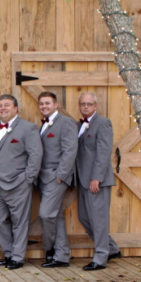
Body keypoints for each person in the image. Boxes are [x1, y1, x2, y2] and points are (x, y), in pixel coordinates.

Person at [0, 94, 42, 270]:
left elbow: (36, 155)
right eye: (0, 105)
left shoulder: (28, 128)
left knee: (20, 221)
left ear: (15, 108)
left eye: (7, 105)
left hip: (18, 183)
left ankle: (18, 257)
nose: (3, 108)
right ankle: (9, 252)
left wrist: (27, 179)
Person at [76, 92, 121, 271]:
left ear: (95, 106)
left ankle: (101, 257)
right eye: (83, 104)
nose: (86, 106)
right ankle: (112, 248)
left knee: (99, 220)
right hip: (82, 180)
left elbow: (103, 153)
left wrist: (97, 177)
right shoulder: (80, 125)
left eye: (89, 104)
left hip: (96, 181)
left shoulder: (103, 123)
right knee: (84, 217)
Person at [37, 91, 77, 268]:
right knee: (56, 216)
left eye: (47, 103)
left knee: (46, 214)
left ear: (56, 105)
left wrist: (61, 175)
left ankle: (50, 248)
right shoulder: (43, 125)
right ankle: (62, 255)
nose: (44, 106)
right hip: (43, 177)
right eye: (41, 104)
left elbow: (70, 150)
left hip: (56, 176)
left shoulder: (66, 122)